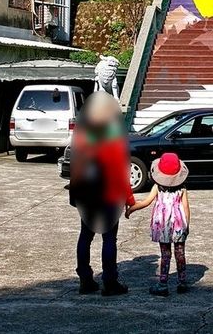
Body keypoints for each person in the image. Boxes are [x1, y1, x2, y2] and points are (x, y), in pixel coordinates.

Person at [69, 92, 134, 296]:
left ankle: (85, 279)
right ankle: (109, 281)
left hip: (86, 193)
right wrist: (129, 198)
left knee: (85, 236)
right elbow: (119, 168)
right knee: (109, 238)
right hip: (108, 193)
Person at [126, 152, 191, 295]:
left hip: (163, 226)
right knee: (180, 253)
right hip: (179, 226)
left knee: (165, 254)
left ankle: (163, 284)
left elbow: (146, 202)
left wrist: (132, 209)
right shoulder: (183, 188)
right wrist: (187, 225)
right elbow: (186, 208)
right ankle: (182, 282)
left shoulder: (157, 187)